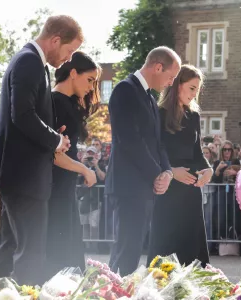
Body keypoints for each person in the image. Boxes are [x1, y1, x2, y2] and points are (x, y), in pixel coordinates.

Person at [0, 16, 96, 285]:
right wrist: (56, 141)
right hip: (25, 176)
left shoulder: (30, 61)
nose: (68, 58)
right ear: (56, 40)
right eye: (69, 51)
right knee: (31, 254)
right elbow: (22, 114)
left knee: (12, 250)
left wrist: (51, 134)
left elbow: (27, 115)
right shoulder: (29, 61)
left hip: (20, 175)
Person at [105, 46, 181, 276]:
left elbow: (158, 143)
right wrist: (156, 173)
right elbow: (129, 139)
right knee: (125, 249)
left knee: (134, 248)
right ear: (158, 67)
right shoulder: (124, 90)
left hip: (144, 186)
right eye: (170, 77)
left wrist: (167, 171)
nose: (170, 83)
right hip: (128, 185)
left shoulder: (149, 97)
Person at [146, 65, 213, 267]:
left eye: (197, 90)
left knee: (191, 241)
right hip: (168, 187)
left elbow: (197, 152)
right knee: (165, 241)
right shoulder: (158, 113)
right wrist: (172, 172)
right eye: (192, 88)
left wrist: (208, 169)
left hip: (191, 189)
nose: (195, 94)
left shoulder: (194, 116)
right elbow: (154, 149)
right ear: (177, 85)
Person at [45, 51, 101, 277]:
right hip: (55, 187)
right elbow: (54, 154)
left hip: (64, 188)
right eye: (89, 80)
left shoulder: (67, 103)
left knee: (69, 253)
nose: (91, 87)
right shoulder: (56, 102)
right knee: (60, 255)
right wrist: (84, 169)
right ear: (73, 73)